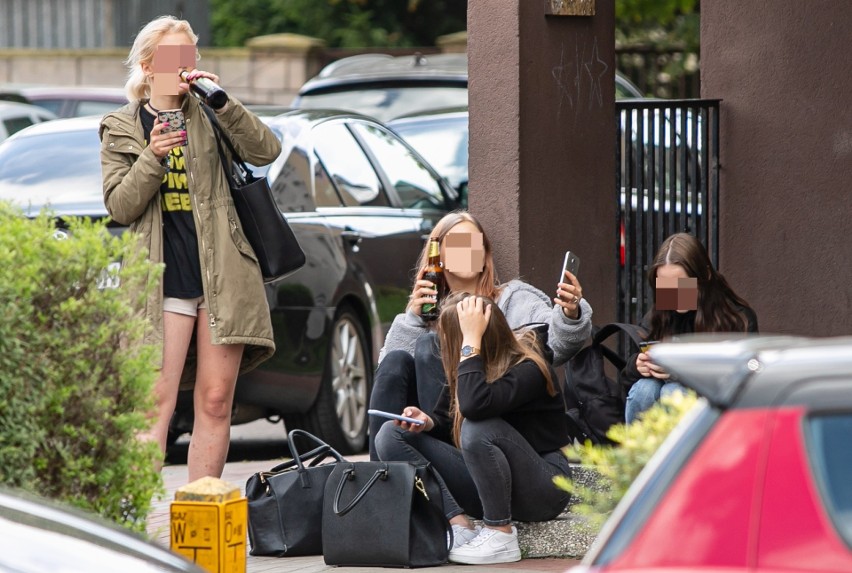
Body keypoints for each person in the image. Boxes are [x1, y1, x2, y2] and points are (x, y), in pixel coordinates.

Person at [99, 16, 282, 480]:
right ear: (147, 64)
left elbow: (267, 150)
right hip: (163, 278)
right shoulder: (121, 126)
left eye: (190, 57)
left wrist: (224, 103)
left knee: (217, 401)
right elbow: (120, 206)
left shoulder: (210, 112)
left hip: (223, 275)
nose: (184, 67)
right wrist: (152, 156)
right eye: (173, 58)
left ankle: (200, 517)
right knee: (152, 405)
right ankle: (137, 525)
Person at [368, 210, 592, 458]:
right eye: (456, 244)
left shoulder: (513, 300)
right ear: (437, 258)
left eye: (471, 244)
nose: (464, 252)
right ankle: (377, 479)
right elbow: (389, 379)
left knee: (431, 344)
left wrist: (569, 313)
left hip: (487, 426)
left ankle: (452, 457)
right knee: (397, 359)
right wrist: (413, 318)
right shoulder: (427, 313)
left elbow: (553, 348)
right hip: (429, 424)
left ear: (485, 257)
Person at [374, 292, 573, 565]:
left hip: (544, 488)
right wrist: (428, 421)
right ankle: (457, 523)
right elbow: (451, 417)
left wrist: (470, 343)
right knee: (391, 434)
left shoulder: (530, 367)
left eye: (451, 339)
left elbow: (475, 408)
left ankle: (500, 533)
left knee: (478, 427)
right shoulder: (470, 371)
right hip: (489, 483)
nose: (445, 346)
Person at [624, 233, 758, 423]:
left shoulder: (737, 317)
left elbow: (743, 383)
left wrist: (680, 373)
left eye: (681, 284)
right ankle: (638, 452)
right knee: (644, 389)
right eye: (665, 285)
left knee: (673, 392)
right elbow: (627, 381)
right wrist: (638, 366)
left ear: (704, 276)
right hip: (658, 404)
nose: (673, 293)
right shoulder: (661, 312)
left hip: (717, 416)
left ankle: (683, 453)